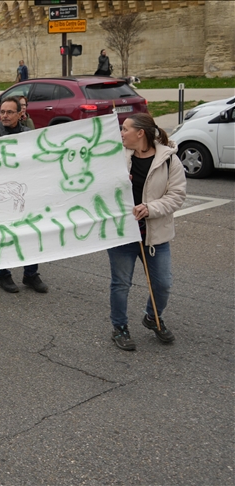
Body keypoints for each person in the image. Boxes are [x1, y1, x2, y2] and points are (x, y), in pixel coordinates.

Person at [109, 113, 186, 351]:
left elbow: (177, 196)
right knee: (121, 284)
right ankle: (119, 327)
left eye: (125, 129)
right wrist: (118, 184)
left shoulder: (169, 160)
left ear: (140, 133)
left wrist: (150, 208)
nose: (121, 133)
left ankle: (152, 317)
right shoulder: (116, 157)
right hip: (123, 234)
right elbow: (100, 189)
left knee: (162, 284)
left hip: (154, 235)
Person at [0, 96, 48, 294]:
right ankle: (4, 275)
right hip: (4, 194)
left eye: (9, 112)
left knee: (30, 232)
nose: (4, 115)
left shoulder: (28, 135)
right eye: (2, 112)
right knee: (4, 235)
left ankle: (31, 274)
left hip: (24, 192)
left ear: (20, 113)